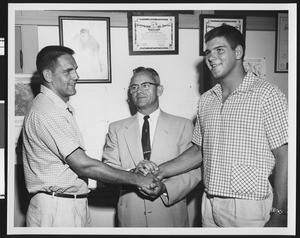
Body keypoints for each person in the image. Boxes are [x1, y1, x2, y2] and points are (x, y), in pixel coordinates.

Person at [140, 24, 288, 227]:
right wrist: (161, 171)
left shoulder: (268, 95)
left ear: (238, 52)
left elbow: (285, 155)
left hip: (250, 206)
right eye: (208, 52)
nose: (211, 57)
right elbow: (199, 151)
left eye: (220, 50)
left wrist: (280, 212)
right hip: (209, 203)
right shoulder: (207, 100)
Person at [22, 46, 156, 227]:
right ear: (48, 75)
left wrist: (130, 173)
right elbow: (83, 164)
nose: (76, 76)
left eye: (75, 70)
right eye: (68, 71)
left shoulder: (55, 108)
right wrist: (138, 179)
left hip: (66, 204)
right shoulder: (48, 111)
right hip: (58, 209)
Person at [102, 66, 201, 227]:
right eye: (134, 87)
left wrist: (164, 188)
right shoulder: (116, 129)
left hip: (170, 215)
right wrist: (133, 173)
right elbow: (108, 171)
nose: (139, 90)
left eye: (145, 85)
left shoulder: (183, 125)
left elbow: (194, 171)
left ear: (159, 90)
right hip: (131, 217)